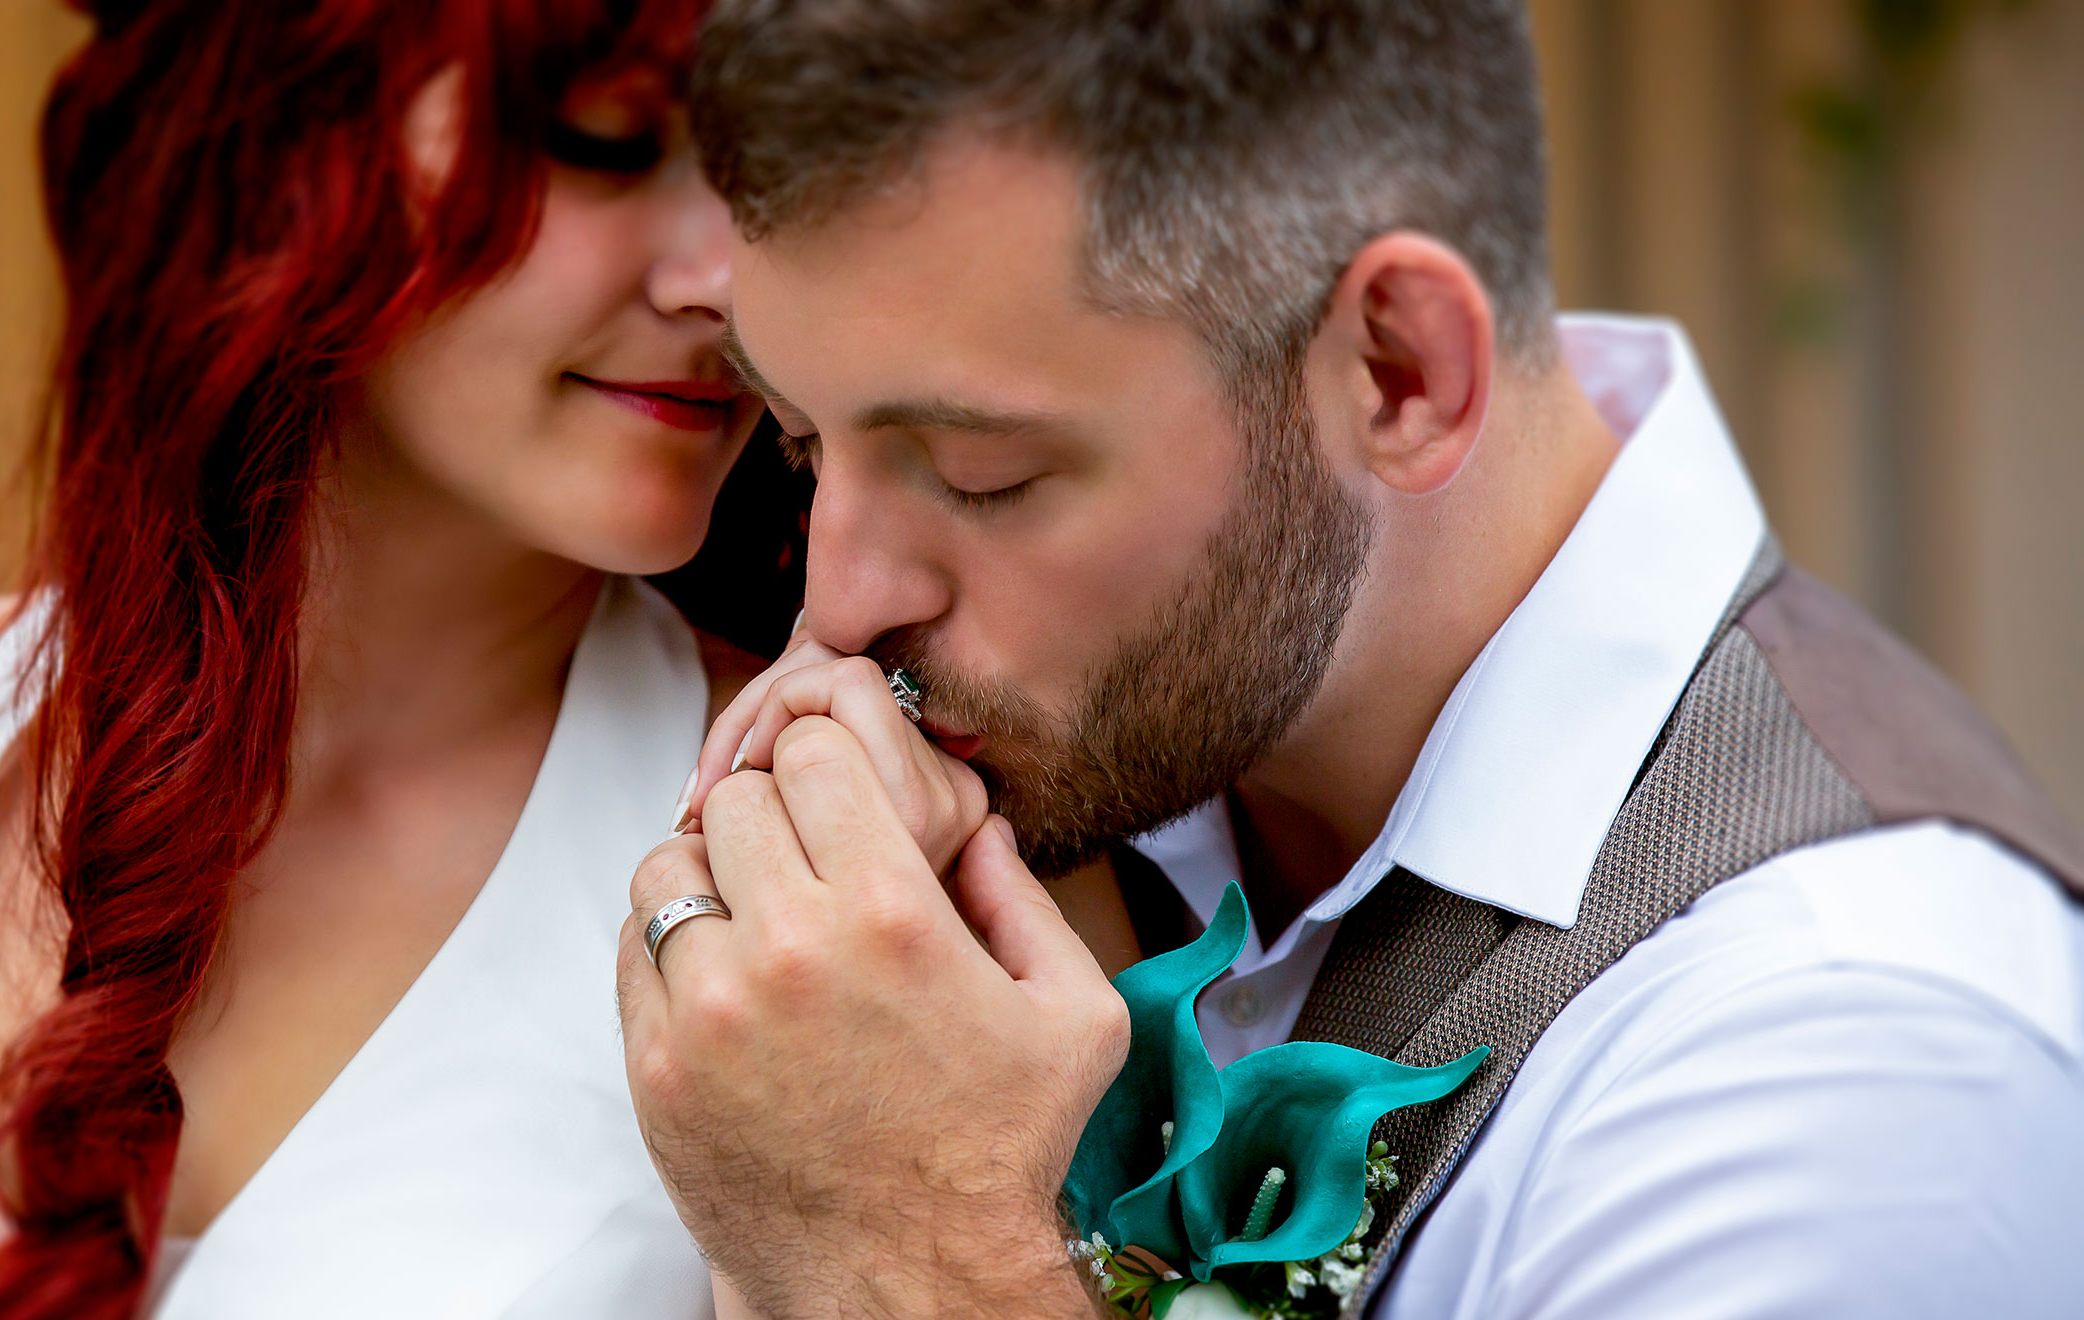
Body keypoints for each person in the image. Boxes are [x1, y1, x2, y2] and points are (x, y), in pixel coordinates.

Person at [622, 2, 2084, 1318]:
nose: (841, 601)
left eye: (980, 469)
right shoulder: (1104, 782)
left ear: (1397, 372)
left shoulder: (1854, 1082)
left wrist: (909, 1249)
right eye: (805, 444)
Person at [0, 2, 790, 1317]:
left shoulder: (843, 883)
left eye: (778, 171)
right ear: (275, 131)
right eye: (606, 139)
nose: (725, 280)